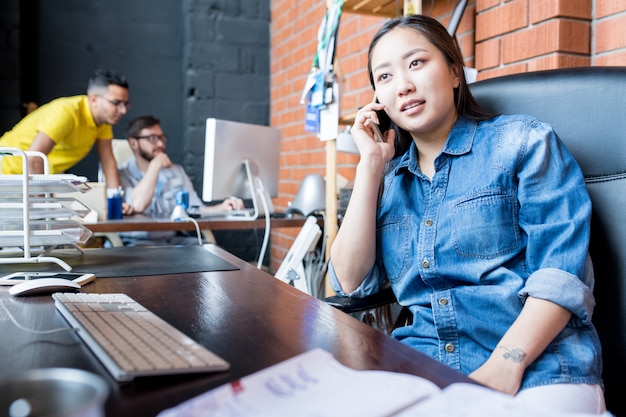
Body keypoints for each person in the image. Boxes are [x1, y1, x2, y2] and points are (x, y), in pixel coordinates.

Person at [329, 15, 606, 414]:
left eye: (416, 63)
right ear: (378, 100)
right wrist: (370, 165)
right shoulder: (389, 180)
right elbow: (350, 282)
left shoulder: (523, 142)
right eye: (384, 76)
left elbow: (560, 276)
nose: (403, 84)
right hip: (425, 366)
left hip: (539, 367)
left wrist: (505, 365)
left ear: (455, 72)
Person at [118, 115, 244, 246]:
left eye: (162, 138)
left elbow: (195, 209)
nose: (160, 144)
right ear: (133, 143)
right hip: (138, 242)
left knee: (211, 251)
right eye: (152, 138)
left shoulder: (176, 171)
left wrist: (222, 208)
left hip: (173, 240)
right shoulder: (121, 174)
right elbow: (138, 204)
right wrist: (155, 166)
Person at [0, 69, 130, 193]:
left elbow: (108, 160)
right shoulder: (66, 113)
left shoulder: (103, 122)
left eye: (125, 104)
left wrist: (117, 200)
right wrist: (41, 204)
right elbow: (34, 158)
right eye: (116, 103)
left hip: (27, 178)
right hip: (7, 174)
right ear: (94, 99)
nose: (123, 110)